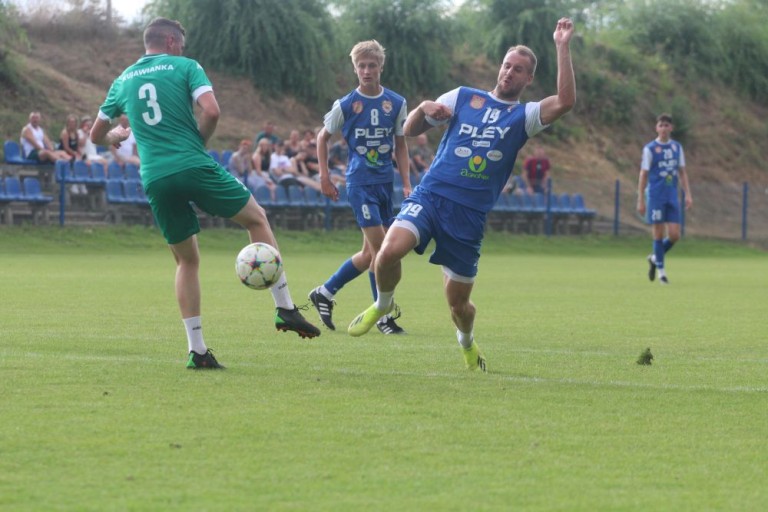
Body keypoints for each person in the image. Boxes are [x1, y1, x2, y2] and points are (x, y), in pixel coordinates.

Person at [347, 18, 576, 372]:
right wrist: (424, 108)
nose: (509, 73)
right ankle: (383, 304)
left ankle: (467, 342)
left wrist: (561, 45)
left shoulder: (525, 116)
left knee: (458, 306)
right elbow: (408, 131)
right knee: (388, 252)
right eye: (506, 65)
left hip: (468, 216)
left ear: (528, 79)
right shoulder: (463, 97)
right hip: (430, 196)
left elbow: (564, 101)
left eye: (518, 70)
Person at [90, 17, 320, 370]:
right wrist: (200, 141)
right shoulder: (185, 66)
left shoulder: (122, 80)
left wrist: (115, 139)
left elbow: (95, 136)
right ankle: (285, 307)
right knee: (256, 218)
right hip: (193, 164)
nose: (183, 48)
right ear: (169, 41)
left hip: (155, 177)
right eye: (180, 42)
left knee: (186, 261)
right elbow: (212, 110)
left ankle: (197, 350)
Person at [308, 40, 411, 334]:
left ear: (381, 67)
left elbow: (401, 145)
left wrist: (405, 183)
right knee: (383, 252)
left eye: (372, 65)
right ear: (355, 68)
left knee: (369, 255)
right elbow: (321, 138)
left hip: (384, 185)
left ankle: (325, 292)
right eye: (361, 66)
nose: (366, 70)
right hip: (359, 184)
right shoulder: (345, 104)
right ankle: (382, 315)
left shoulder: (397, 103)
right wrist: (324, 177)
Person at [636, 113, 693, 285]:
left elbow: (682, 172)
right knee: (658, 234)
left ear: (671, 128)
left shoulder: (676, 148)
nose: (663, 128)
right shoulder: (650, 149)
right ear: (656, 128)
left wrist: (688, 194)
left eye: (667, 125)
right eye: (661, 125)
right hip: (655, 196)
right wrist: (640, 199)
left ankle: (654, 258)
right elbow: (643, 174)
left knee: (675, 235)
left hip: (671, 196)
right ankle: (662, 272)